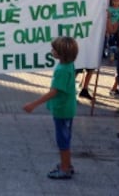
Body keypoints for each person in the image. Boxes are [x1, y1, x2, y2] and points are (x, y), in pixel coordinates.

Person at [23, 36, 78, 179]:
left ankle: (65, 169)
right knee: (65, 138)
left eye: (54, 49)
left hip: (62, 110)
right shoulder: (69, 65)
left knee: (62, 140)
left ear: (61, 54)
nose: (51, 51)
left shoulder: (62, 70)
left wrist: (33, 104)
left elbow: (54, 91)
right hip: (67, 108)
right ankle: (67, 164)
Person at [106, 0, 119, 97]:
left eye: (118, 0)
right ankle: (111, 57)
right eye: (115, 0)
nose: (116, 2)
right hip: (112, 30)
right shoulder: (109, 9)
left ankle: (116, 88)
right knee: (112, 47)